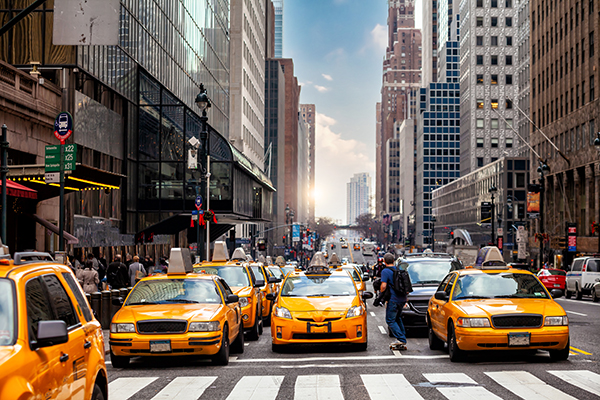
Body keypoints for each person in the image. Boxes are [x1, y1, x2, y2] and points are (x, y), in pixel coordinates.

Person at [377, 253, 409, 350]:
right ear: (394, 260)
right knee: (398, 318)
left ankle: (401, 338)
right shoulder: (398, 270)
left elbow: (383, 286)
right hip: (402, 299)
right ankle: (402, 337)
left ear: (384, 261)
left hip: (393, 300)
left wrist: (381, 294)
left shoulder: (385, 271)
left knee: (390, 320)